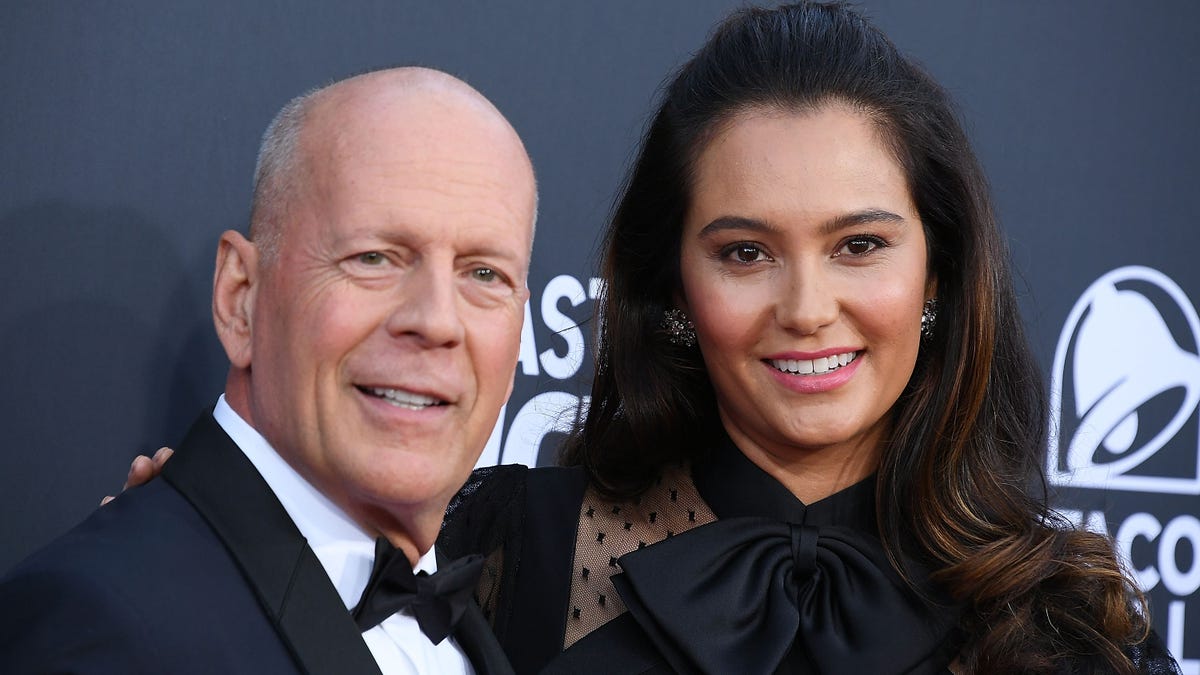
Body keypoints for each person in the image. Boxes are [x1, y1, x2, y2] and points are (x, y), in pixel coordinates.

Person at [438, 3, 1182, 674]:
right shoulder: (510, 545)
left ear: (936, 276)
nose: (805, 309)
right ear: (674, 290)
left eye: (858, 246)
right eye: (745, 253)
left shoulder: (1073, 623)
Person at [0, 67, 534, 674]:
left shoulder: (486, 623)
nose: (438, 321)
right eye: (375, 257)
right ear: (241, 299)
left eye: (484, 274)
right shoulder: (99, 625)